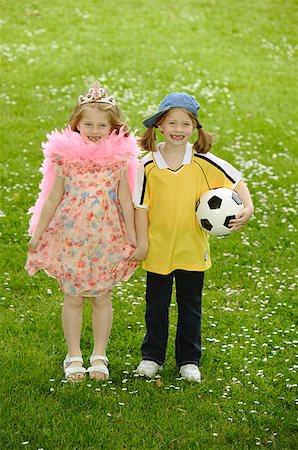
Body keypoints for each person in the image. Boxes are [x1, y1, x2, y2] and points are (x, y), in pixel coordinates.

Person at [132, 92, 254, 382]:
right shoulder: (146, 165)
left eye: (185, 124)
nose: (178, 129)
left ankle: (189, 360)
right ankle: (152, 357)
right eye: (171, 122)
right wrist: (142, 242)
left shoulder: (204, 161)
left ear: (195, 128)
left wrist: (247, 208)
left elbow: (236, 181)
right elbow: (140, 207)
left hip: (192, 247)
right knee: (156, 307)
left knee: (190, 306)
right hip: (158, 248)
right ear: (159, 125)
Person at [25, 81, 139, 382]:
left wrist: (134, 235)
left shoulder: (118, 161)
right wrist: (38, 231)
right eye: (88, 123)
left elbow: (126, 201)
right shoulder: (65, 159)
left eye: (102, 124)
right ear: (76, 124)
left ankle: (99, 355)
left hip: (106, 236)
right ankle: (73, 354)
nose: (95, 129)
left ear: (113, 128)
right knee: (73, 297)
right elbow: (52, 197)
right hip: (71, 236)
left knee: (102, 297)